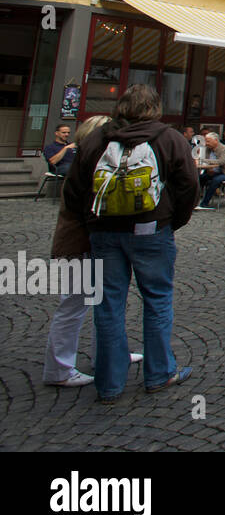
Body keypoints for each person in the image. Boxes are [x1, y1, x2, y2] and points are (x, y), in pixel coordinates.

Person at [61, 84, 198, 402]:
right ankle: (160, 373)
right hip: (152, 229)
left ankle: (108, 384)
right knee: (158, 299)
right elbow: (189, 184)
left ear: (121, 107)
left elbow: (74, 187)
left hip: (104, 232)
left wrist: (90, 222)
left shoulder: (96, 139)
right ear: (155, 109)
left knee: (107, 306)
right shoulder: (169, 138)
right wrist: (171, 220)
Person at [43, 115, 143, 387]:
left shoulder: (91, 164)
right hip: (78, 244)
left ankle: (110, 353)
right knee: (74, 304)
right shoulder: (84, 167)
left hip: (91, 243)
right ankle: (59, 369)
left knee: (107, 300)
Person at [195, 131, 225, 210]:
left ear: (216, 140)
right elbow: (200, 159)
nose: (206, 143)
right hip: (212, 171)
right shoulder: (207, 149)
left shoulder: (224, 149)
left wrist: (206, 161)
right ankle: (194, 201)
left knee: (215, 180)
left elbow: (221, 162)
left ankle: (205, 203)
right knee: (200, 178)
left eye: (208, 141)